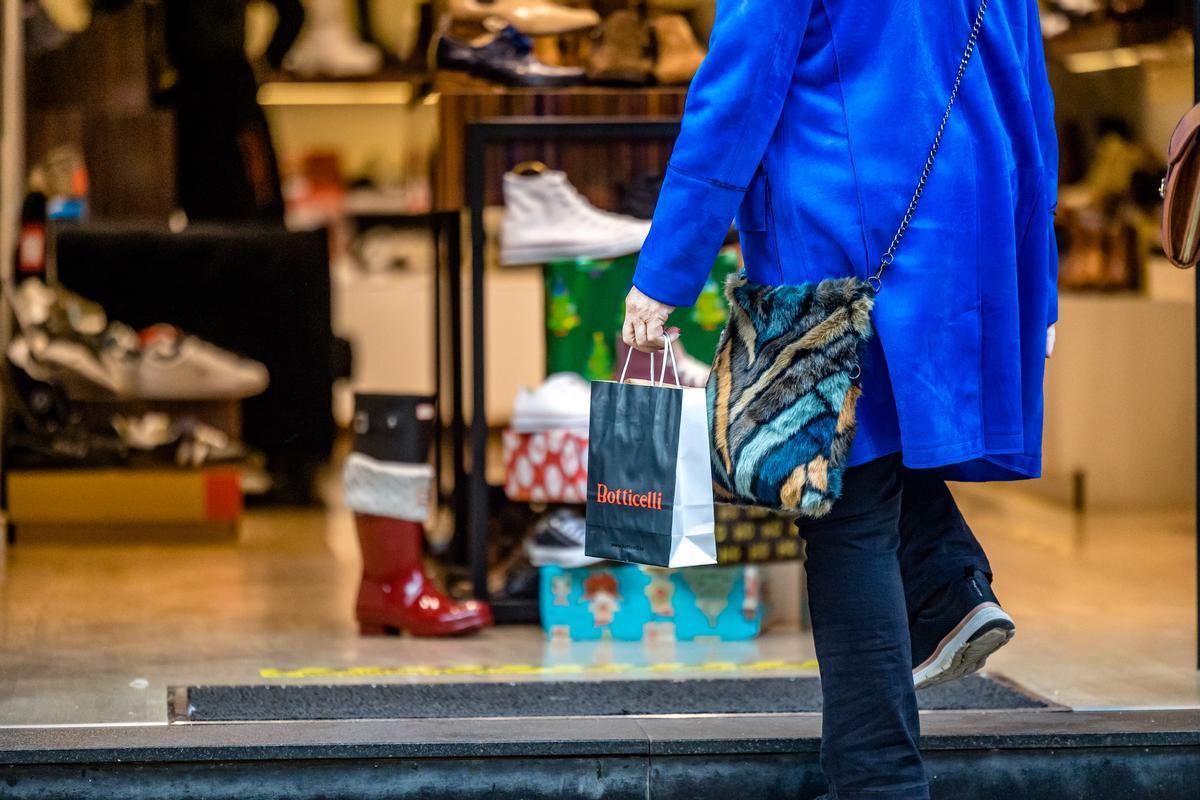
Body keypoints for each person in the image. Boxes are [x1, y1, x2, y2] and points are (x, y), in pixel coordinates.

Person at [620, 1, 1058, 798]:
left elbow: (740, 85)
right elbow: (1024, 77)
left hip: (840, 223)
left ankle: (879, 780)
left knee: (845, 497)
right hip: (962, 213)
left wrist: (665, 270)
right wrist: (1039, 269)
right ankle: (948, 589)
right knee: (877, 447)